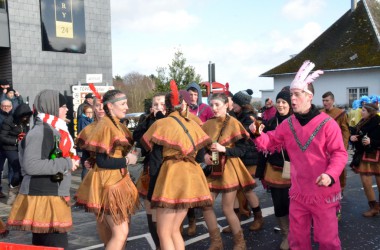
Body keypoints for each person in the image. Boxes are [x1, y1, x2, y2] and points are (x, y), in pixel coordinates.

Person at [249, 60, 347, 249]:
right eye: (291, 95)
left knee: (327, 241)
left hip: (323, 193)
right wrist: (256, 134)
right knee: (297, 241)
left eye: (296, 94)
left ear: (309, 96)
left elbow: (339, 153)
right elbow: (270, 142)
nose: (292, 99)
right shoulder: (287, 124)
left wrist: (330, 174)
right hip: (299, 193)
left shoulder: (328, 124)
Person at [141, 82, 214, 250]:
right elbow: (202, 154)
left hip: (171, 178)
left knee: (164, 232)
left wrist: (152, 193)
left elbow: (156, 160)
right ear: (183, 104)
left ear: (167, 106)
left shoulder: (161, 124)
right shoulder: (193, 123)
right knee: (174, 231)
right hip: (192, 177)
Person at [7, 90, 79, 249]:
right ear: (52, 107)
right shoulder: (43, 131)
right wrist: (66, 163)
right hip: (45, 197)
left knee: (45, 245)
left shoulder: (50, 129)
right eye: (63, 106)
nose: (66, 109)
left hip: (48, 194)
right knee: (55, 245)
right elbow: (31, 165)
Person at [75, 89, 140, 249]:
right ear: (110, 106)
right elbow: (104, 161)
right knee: (120, 233)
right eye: (123, 104)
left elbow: (104, 155)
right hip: (109, 184)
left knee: (120, 232)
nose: (127, 107)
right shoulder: (107, 125)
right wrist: (127, 160)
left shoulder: (113, 124)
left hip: (116, 180)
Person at [202, 92, 259, 249]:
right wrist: (206, 156)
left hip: (229, 169)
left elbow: (242, 150)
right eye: (211, 105)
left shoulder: (234, 122)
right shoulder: (207, 124)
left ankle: (240, 242)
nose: (213, 108)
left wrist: (224, 149)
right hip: (213, 166)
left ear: (226, 105)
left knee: (227, 208)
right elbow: (201, 146)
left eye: (217, 105)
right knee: (206, 205)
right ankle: (216, 242)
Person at [221, 89, 263, 233]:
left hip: (249, 159)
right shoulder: (235, 115)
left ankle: (258, 218)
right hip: (237, 158)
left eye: (235, 103)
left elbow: (250, 136)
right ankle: (236, 218)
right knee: (236, 190)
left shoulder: (251, 117)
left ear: (242, 104)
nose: (233, 105)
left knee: (247, 190)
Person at [256, 88, 292, 250]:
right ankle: (286, 235)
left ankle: (297, 233)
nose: (281, 105)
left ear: (291, 105)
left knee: (295, 204)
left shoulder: (297, 121)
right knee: (279, 203)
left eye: (284, 102)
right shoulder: (270, 123)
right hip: (275, 170)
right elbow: (263, 145)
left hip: (296, 170)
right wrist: (255, 134)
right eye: (278, 102)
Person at [134, 92, 167, 249]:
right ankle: (158, 246)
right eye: (155, 105)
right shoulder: (147, 120)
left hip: (168, 172)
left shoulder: (171, 120)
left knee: (167, 213)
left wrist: (160, 117)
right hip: (150, 169)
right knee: (150, 208)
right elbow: (138, 139)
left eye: (162, 105)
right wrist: (147, 121)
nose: (158, 108)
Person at [349, 102, 380, 217]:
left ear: (370, 112)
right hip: (364, 154)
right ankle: (374, 207)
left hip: (376, 154)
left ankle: (376, 207)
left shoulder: (378, 122)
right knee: (366, 181)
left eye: (363, 110)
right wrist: (352, 138)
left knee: (379, 181)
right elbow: (357, 134)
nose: (361, 112)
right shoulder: (363, 121)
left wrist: (372, 142)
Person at [0, 103, 32, 205]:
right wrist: (16, 140)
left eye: (27, 116)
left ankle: (20, 193)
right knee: (17, 169)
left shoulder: (25, 122)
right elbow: (2, 137)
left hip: (21, 148)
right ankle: (13, 191)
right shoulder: (8, 121)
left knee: (23, 169)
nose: (25, 118)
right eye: (24, 116)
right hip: (9, 147)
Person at [321, 91, 350, 199]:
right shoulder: (320, 113)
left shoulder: (340, 113)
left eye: (327, 100)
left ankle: (341, 188)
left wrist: (344, 146)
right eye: (323, 100)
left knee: (340, 168)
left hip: (336, 146)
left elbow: (345, 131)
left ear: (332, 101)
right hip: (323, 147)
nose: (325, 103)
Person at [75, 95, 105, 180]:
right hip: (94, 172)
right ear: (93, 107)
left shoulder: (116, 126)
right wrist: (88, 159)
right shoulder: (88, 127)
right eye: (97, 105)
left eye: (103, 105)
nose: (101, 108)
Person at [0, 99, 13, 198]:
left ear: (11, 107)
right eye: (4, 106)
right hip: (0, 146)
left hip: (11, 146)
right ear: (1, 106)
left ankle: (11, 190)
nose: (6, 107)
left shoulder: (15, 117)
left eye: (8, 106)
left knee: (12, 169)